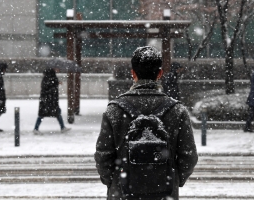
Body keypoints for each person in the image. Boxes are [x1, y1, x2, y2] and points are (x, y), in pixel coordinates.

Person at [94, 46, 198, 200]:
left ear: (133, 73)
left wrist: (114, 182)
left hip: (123, 194)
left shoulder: (114, 110)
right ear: (160, 73)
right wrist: (173, 180)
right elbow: (188, 156)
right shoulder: (177, 111)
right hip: (164, 194)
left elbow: (103, 156)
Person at [33, 68, 71, 135]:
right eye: (57, 68)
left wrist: (56, 83)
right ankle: (36, 128)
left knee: (54, 113)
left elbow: (47, 87)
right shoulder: (51, 77)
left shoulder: (48, 77)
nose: (58, 70)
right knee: (47, 114)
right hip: (50, 100)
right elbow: (49, 87)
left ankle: (62, 127)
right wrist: (56, 83)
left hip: (48, 100)